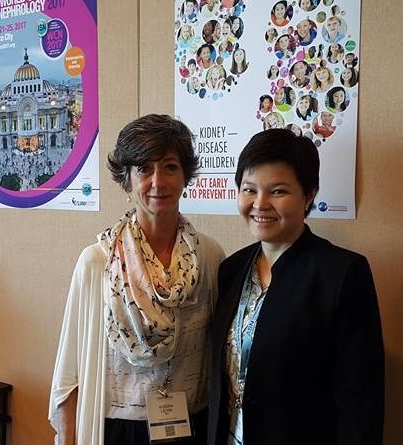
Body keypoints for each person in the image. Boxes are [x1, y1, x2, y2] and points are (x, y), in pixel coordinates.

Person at [49, 114, 225, 445]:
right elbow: (70, 374)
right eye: (144, 168)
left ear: (185, 176)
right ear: (126, 180)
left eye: (170, 167)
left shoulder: (210, 257)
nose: (158, 181)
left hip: (193, 426)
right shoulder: (97, 263)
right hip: (117, 429)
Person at [205, 129, 385, 444]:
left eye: (277, 191)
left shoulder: (342, 274)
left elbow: (360, 404)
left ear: (309, 195)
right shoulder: (231, 269)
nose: (260, 203)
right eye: (249, 189)